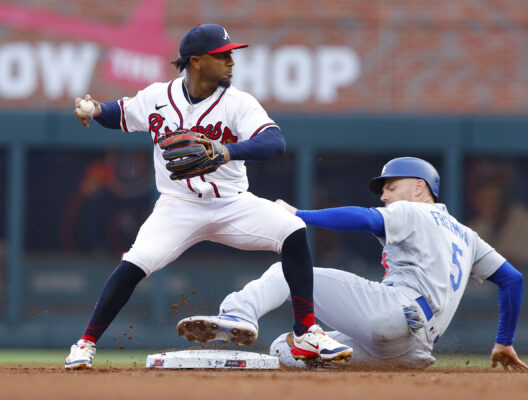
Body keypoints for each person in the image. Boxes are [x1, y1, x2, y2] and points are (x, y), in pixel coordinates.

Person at [65, 23, 352, 369]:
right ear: (197, 61)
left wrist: (226, 152)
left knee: (292, 231)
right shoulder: (158, 97)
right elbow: (121, 113)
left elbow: (275, 142)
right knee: (135, 263)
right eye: (223, 55)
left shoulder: (237, 102)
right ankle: (85, 343)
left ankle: (305, 334)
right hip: (178, 207)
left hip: (232, 203)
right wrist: (95, 110)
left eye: (231, 54)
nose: (232, 61)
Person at [178, 157, 528, 371]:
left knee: (286, 272)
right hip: (415, 350)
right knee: (284, 350)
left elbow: (365, 219)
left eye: (392, 186)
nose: (384, 195)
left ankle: (237, 314)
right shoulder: (467, 237)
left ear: (420, 187)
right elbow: (512, 280)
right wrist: (504, 341)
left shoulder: (413, 211)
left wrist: (298, 214)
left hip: (394, 312)